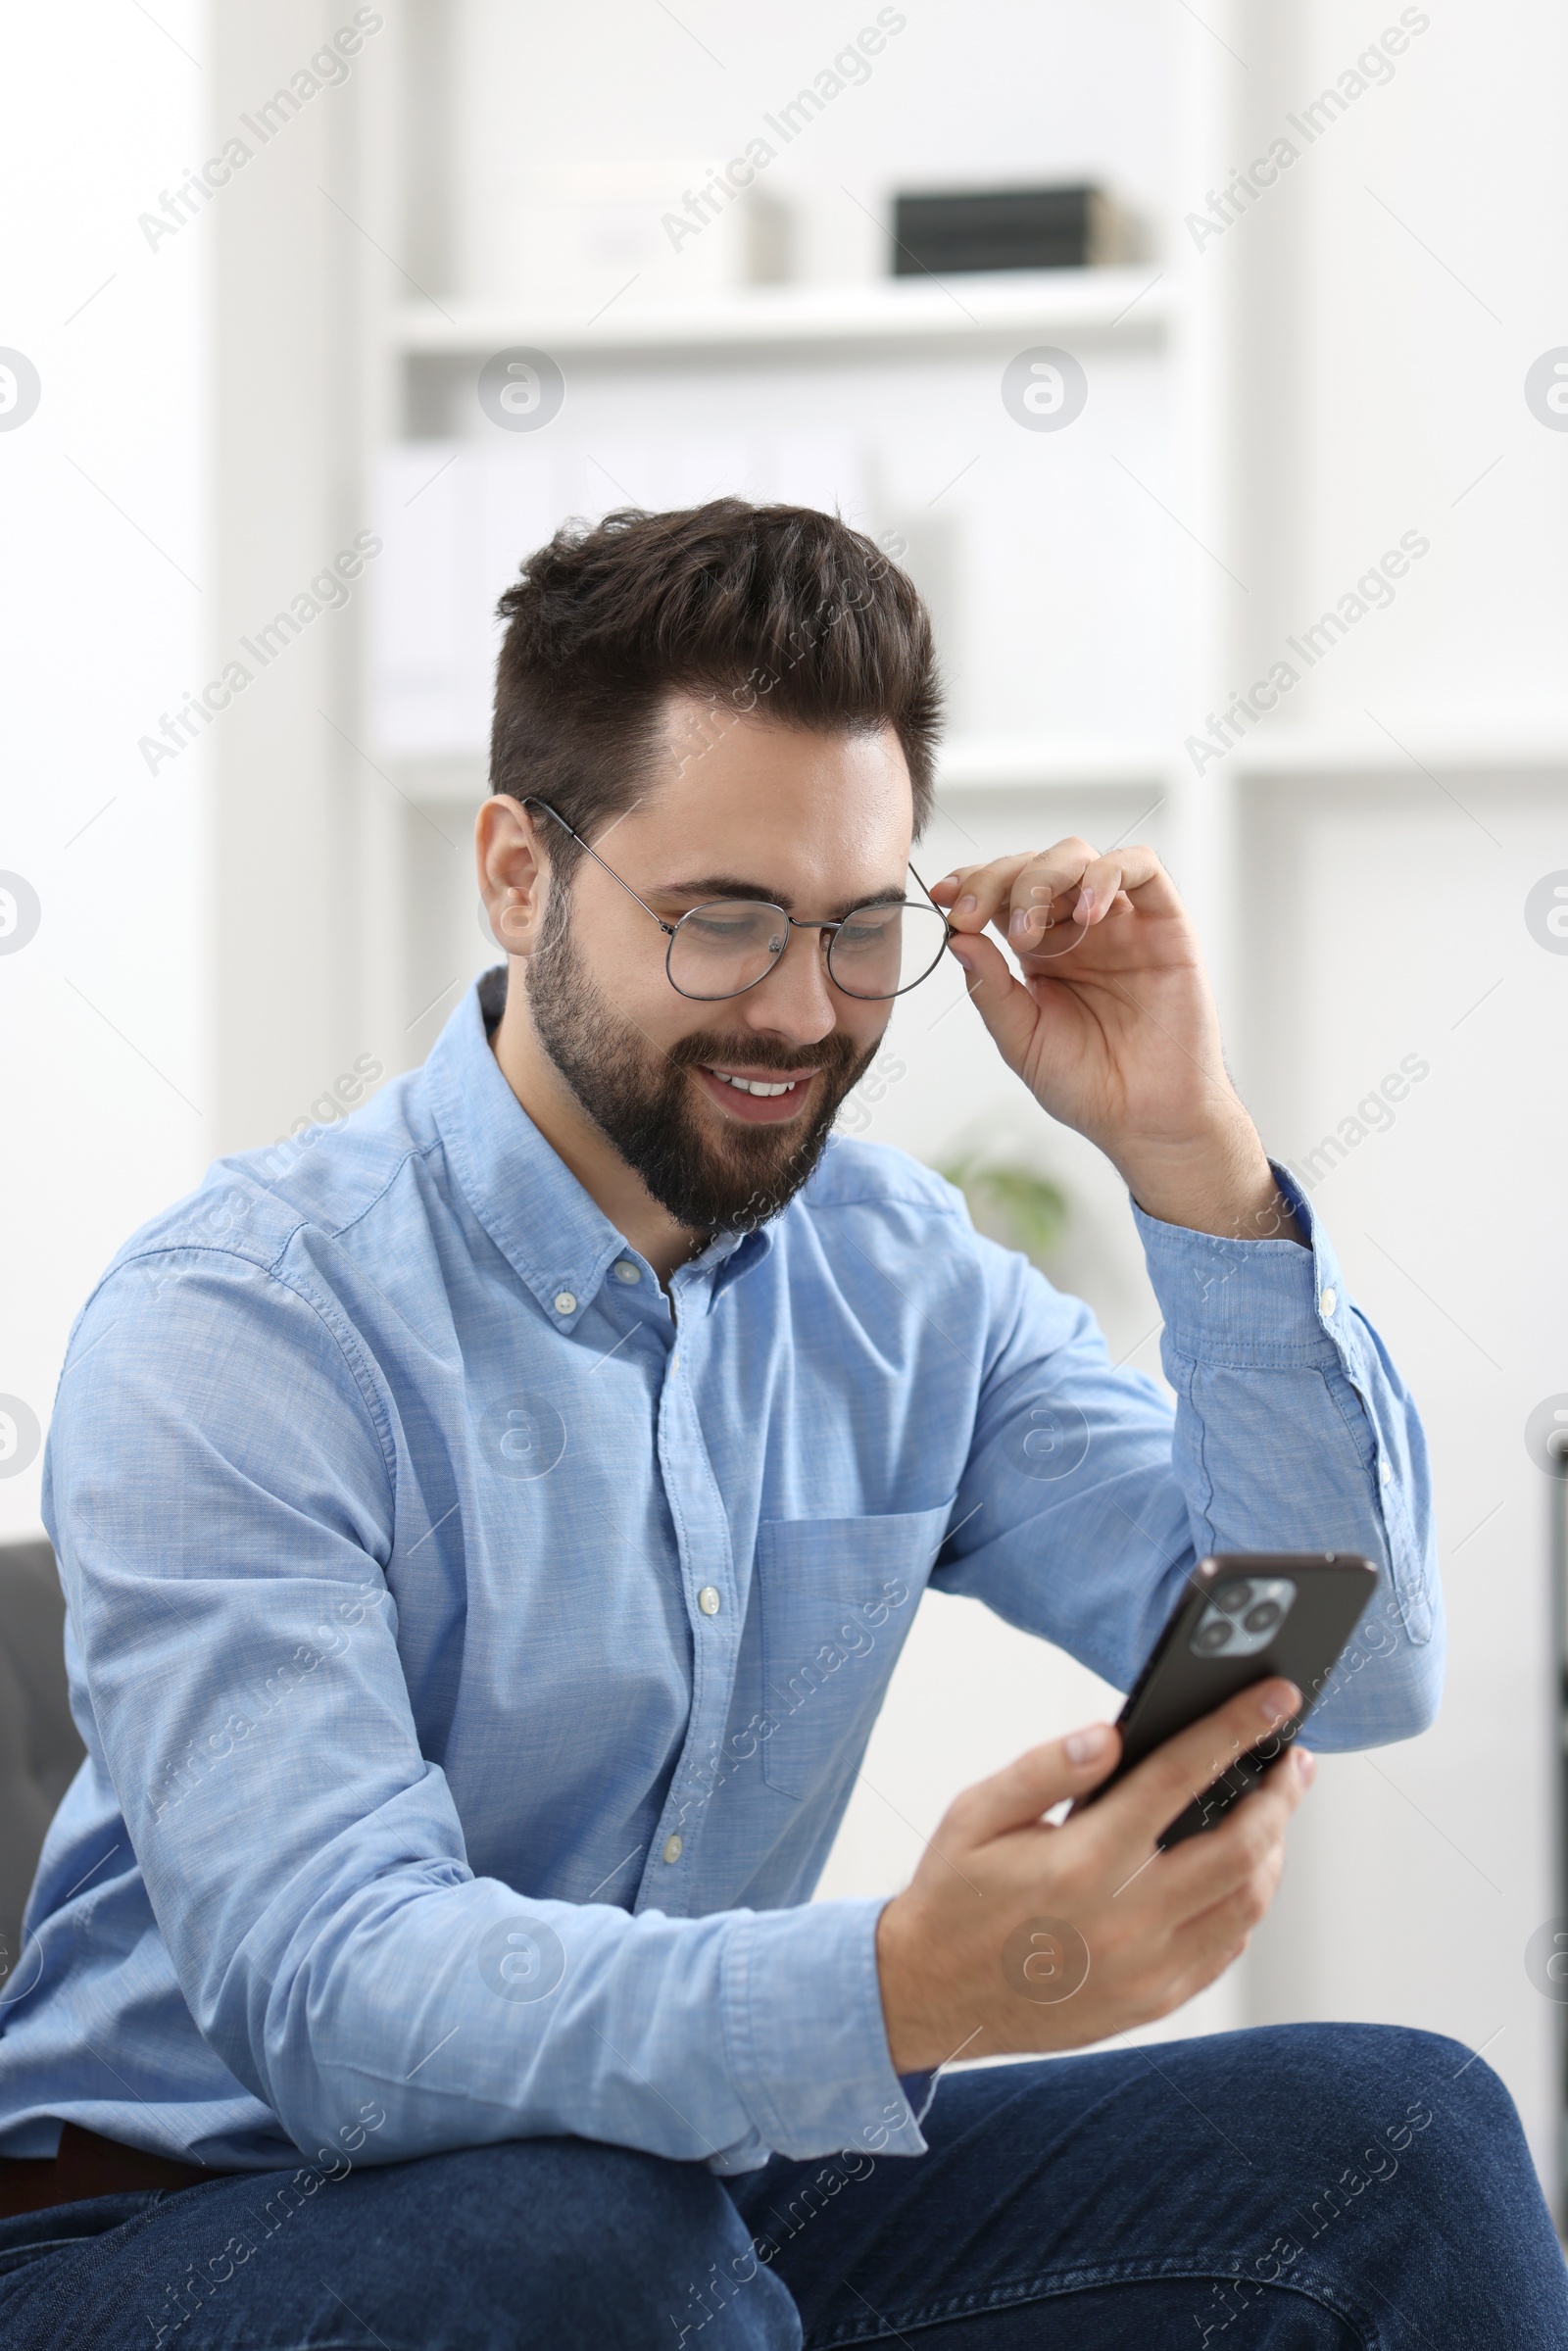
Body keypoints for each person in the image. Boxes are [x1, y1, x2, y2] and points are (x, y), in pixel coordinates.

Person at [0, 500, 1559, 2349]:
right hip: (175, 2225)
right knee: (592, 2256)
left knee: (1402, 2143)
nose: (806, 1012)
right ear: (516, 871)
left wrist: (1193, 1160)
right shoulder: (245, 1319)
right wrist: (897, 1987)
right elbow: (335, 2003)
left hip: (670, 2194)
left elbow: (1351, 1659)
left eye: (858, 926)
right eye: (725, 922)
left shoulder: (896, 1283)